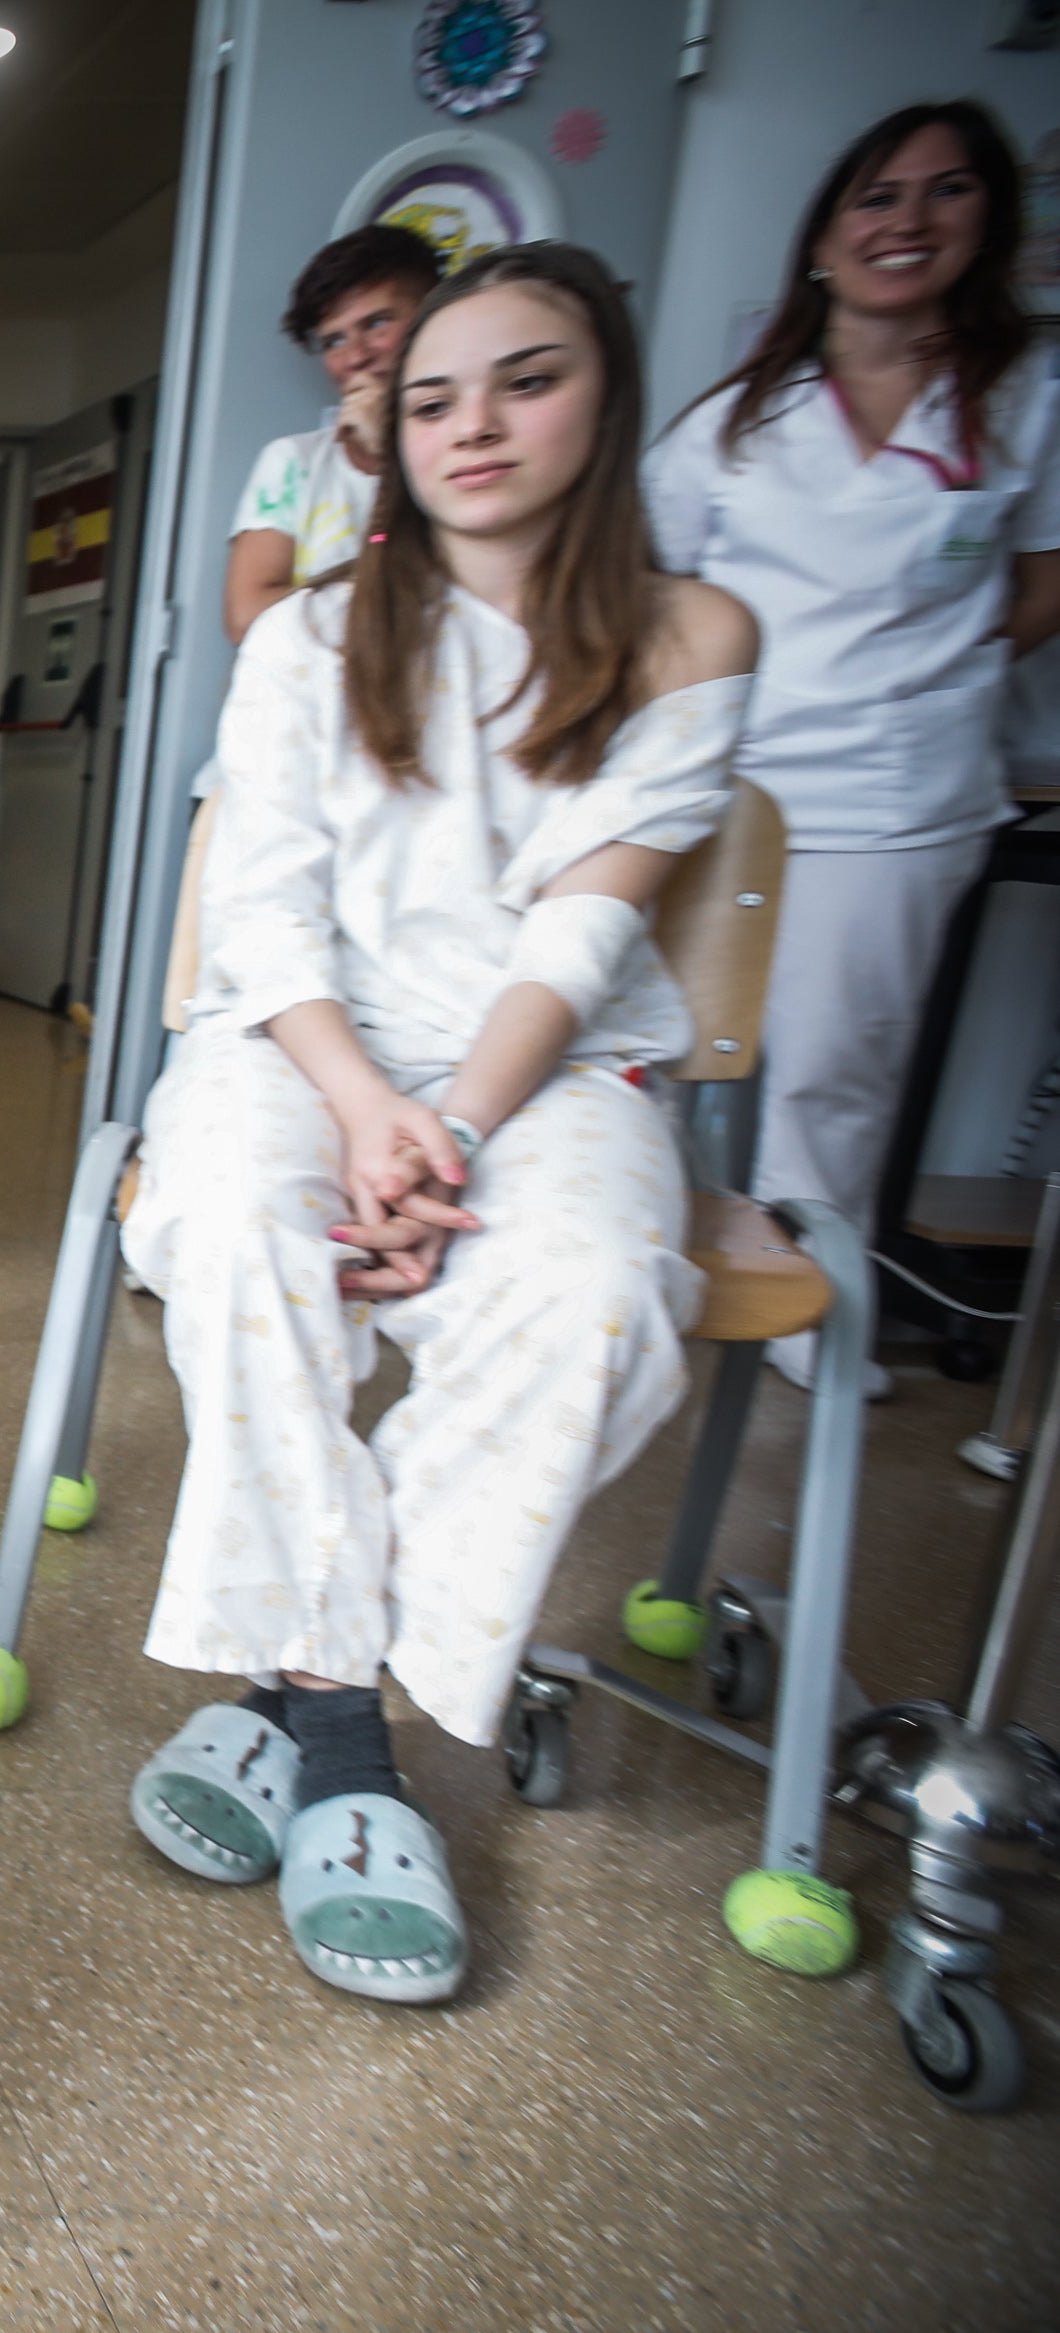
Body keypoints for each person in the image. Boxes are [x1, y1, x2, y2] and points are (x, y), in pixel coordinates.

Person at [122, 243, 755, 2005]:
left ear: (606, 396)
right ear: (384, 433)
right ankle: (348, 1741)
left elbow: (588, 924)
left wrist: (447, 1130)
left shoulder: (691, 635)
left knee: (601, 1291)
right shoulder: (312, 634)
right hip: (301, 1035)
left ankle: (287, 1694)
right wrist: (359, 1103)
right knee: (242, 1222)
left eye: (527, 378)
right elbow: (260, 910)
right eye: (432, 397)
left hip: (550, 1059)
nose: (474, 423)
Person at [645, 101, 1060, 1397]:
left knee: (836, 1071)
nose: (909, 222)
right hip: (729, 779)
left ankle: (806, 1312)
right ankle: (638, 1260)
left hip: (902, 790)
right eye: (879, 197)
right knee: (649, 1039)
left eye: (946, 194)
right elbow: (649, 595)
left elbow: (1044, 576)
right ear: (824, 237)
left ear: (986, 226)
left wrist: (928, 660)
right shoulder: (734, 422)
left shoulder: (1027, 398)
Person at [223, 223, 444, 645]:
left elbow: (461, 600)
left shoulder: (469, 449)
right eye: (334, 341)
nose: (356, 357)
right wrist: (380, 601)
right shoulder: (294, 463)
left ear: (433, 315)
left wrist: (390, 460)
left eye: (377, 323)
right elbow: (246, 617)